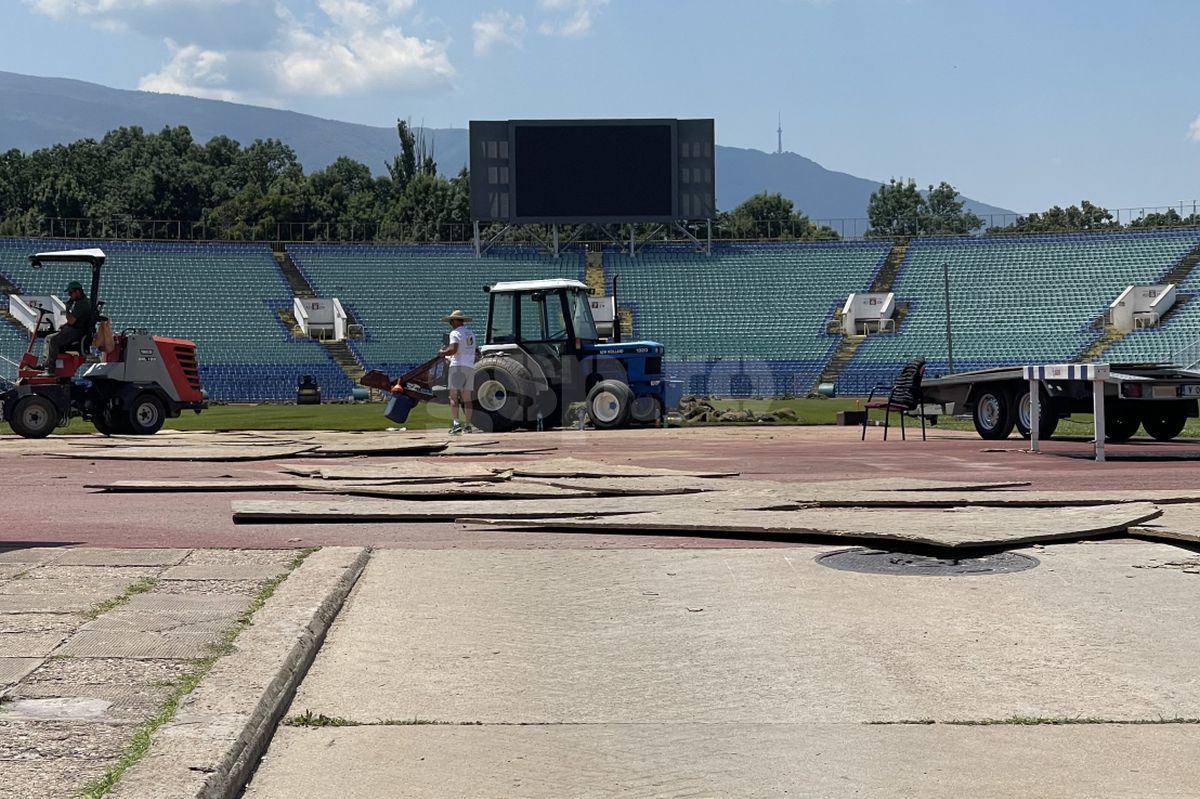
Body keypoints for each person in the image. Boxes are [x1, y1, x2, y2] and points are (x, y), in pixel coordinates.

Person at [436, 309, 477, 434]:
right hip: (469, 367)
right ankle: (468, 425)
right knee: (467, 398)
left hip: (458, 366)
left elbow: (453, 349)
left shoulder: (454, 333)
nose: (450, 323)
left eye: (451, 321)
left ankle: (456, 423)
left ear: (454, 320)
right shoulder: (471, 334)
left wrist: (443, 352)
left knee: (453, 396)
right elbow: (474, 351)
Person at [41, 280, 94, 374]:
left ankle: (51, 369)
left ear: (77, 292)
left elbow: (71, 321)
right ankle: (47, 363)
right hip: (74, 329)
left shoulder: (82, 304)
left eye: (70, 293)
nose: (70, 295)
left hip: (76, 332)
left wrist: (67, 309)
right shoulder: (81, 302)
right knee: (48, 337)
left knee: (53, 341)